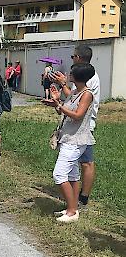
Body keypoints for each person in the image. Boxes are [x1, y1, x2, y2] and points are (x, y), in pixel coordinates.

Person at [42, 63, 95, 223]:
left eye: (71, 74)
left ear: (77, 76)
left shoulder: (87, 94)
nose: (68, 75)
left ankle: (72, 211)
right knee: (72, 175)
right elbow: (66, 109)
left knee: (59, 174)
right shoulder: (75, 92)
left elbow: (77, 115)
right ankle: (72, 208)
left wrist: (59, 105)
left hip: (76, 140)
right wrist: (56, 103)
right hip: (68, 137)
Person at [51, 45, 100, 208]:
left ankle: (81, 199)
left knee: (86, 163)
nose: (72, 59)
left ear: (79, 58)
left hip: (82, 130)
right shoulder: (81, 81)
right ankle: (74, 204)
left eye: (73, 57)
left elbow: (79, 109)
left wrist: (59, 103)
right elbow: (71, 99)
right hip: (72, 130)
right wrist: (60, 95)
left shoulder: (88, 82)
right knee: (74, 171)